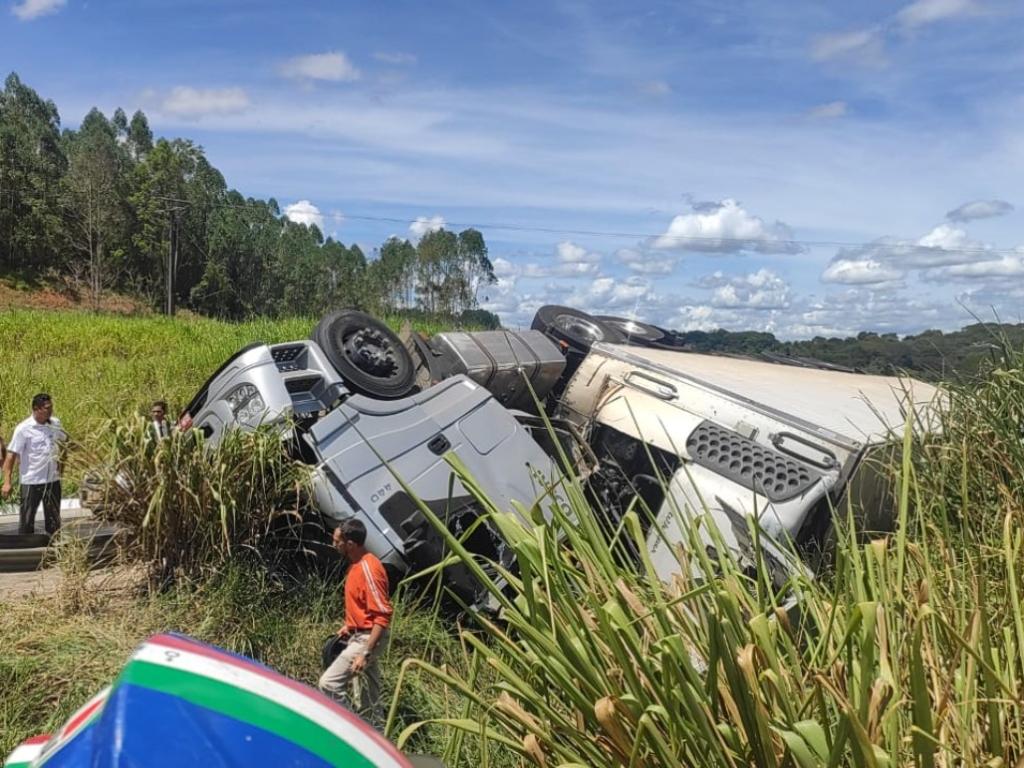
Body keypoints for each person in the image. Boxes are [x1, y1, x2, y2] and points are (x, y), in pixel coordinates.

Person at [318, 518, 393, 724]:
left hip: (368, 639)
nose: (334, 545)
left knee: (329, 684)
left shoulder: (370, 569)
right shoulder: (355, 566)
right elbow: (364, 607)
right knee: (369, 701)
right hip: (359, 634)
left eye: (337, 541)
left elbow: (382, 615)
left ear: (350, 544)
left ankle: (352, 730)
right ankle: (375, 733)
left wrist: (365, 652)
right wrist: (349, 626)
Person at [1, 393, 67, 535]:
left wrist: (62, 465)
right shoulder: (23, 428)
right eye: (47, 408)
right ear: (36, 409)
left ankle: (54, 547)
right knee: (27, 521)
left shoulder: (55, 423)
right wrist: (7, 482)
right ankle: (25, 547)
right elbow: (11, 455)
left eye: (51, 407)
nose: (50, 411)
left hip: (52, 481)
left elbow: (65, 441)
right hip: (31, 482)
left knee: (54, 522)